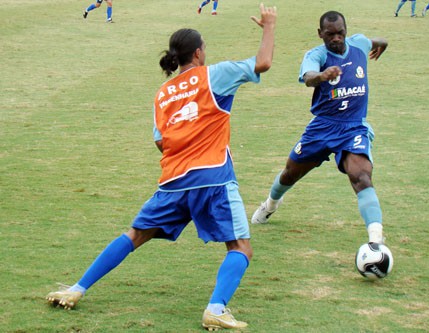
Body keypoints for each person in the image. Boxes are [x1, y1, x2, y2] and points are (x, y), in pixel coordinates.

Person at [46, 3, 277, 331]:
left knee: (135, 234)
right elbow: (263, 62)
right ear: (197, 53)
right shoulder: (214, 74)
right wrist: (269, 26)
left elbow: (161, 141)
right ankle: (216, 308)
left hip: (173, 181)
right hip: (213, 176)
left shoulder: (163, 92)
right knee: (241, 247)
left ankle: (76, 289)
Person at [251, 11, 388, 249]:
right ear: (320, 34)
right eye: (330, 34)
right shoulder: (316, 55)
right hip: (322, 127)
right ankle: (271, 204)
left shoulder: (359, 43)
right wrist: (322, 76)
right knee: (290, 174)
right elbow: (308, 77)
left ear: (346, 30)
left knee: (362, 177)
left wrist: (381, 46)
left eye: (340, 33)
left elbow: (379, 41)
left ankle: (376, 241)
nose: (336, 38)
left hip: (353, 127)